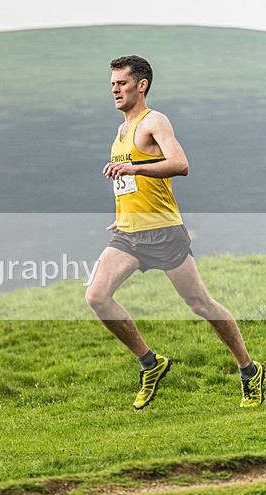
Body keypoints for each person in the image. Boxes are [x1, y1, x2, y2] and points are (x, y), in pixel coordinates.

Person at [85, 55, 262, 409]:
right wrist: (123, 214)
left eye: (121, 83)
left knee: (200, 303)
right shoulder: (120, 131)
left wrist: (133, 168)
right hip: (130, 233)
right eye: (112, 85)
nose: (115, 90)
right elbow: (130, 183)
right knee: (96, 297)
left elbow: (180, 164)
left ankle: (249, 370)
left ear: (141, 85)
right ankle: (151, 363)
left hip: (164, 232)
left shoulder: (155, 121)